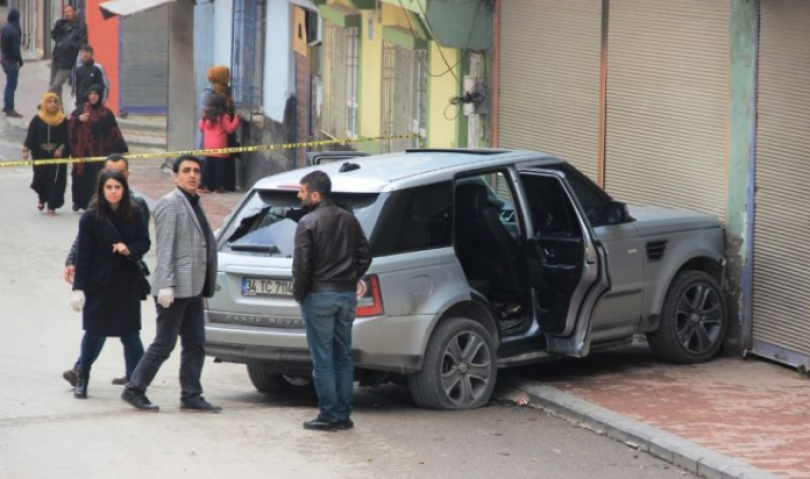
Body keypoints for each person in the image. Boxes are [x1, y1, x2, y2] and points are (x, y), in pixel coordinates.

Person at [121, 155, 220, 413]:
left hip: (194, 288)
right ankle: (134, 389)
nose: (192, 176)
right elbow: (164, 248)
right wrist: (165, 284)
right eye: (186, 171)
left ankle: (191, 394)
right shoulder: (169, 204)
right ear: (175, 176)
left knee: (196, 343)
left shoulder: (193, 201)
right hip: (174, 290)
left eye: (196, 171)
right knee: (164, 344)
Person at [292, 171, 371, 431]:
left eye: (302, 191)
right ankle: (343, 415)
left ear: (315, 194)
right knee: (343, 357)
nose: (298, 195)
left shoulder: (307, 222)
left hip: (319, 295)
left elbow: (301, 266)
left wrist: (300, 294)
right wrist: (349, 278)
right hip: (346, 296)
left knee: (323, 359)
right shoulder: (349, 219)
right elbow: (365, 256)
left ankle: (328, 414)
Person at [63, 154, 149, 387]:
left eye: (118, 180)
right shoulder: (95, 206)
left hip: (125, 279)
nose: (112, 188)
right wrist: (72, 261)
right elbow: (84, 240)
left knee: (129, 331)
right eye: (107, 181)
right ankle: (82, 371)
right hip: (99, 279)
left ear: (126, 178)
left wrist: (128, 249)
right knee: (96, 328)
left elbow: (144, 241)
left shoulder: (137, 205)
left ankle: (136, 378)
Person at [69, 84, 128, 211]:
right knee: (80, 178)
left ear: (100, 96)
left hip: (99, 153)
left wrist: (120, 150)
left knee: (95, 178)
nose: (93, 96)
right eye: (91, 94)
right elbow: (69, 126)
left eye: (96, 94)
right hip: (81, 153)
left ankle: (94, 203)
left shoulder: (106, 114)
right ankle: (78, 202)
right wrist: (79, 119)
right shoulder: (80, 109)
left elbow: (113, 132)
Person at [24, 93, 68, 215]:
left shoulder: (62, 120)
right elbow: (31, 136)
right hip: (40, 154)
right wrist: (26, 149)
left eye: (55, 101)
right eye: (50, 101)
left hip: (57, 155)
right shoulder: (37, 119)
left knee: (55, 180)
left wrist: (61, 149)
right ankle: (42, 198)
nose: (53, 104)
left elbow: (67, 137)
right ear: (44, 103)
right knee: (41, 179)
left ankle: (52, 205)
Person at [198, 93, 239, 194]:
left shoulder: (207, 116)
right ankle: (219, 187)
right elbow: (230, 129)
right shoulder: (223, 117)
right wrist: (237, 119)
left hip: (208, 148)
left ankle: (204, 186)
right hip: (220, 148)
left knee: (208, 168)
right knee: (220, 169)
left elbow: (201, 128)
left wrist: (202, 119)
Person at [50, 5, 87, 101]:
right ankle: (59, 112)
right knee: (53, 84)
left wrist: (69, 44)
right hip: (57, 57)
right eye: (65, 12)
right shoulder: (62, 24)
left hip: (68, 60)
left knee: (56, 84)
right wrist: (57, 26)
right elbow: (54, 36)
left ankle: (44, 101)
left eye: (69, 11)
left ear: (74, 12)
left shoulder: (80, 26)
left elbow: (82, 43)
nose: (67, 14)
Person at [0, 8, 23, 118]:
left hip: (3, 58)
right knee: (12, 85)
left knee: (9, 83)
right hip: (11, 61)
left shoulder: (5, 27)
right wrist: (20, 61)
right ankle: (10, 108)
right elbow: (16, 49)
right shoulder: (15, 30)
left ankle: (6, 105)